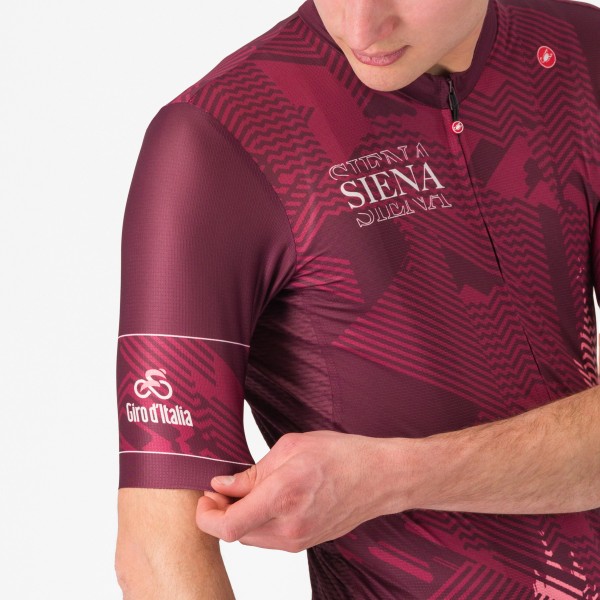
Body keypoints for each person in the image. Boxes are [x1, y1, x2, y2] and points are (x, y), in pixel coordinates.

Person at [114, 0, 600, 597]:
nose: (362, 27)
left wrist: (389, 476)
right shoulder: (216, 136)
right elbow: (157, 550)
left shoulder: (581, 55)